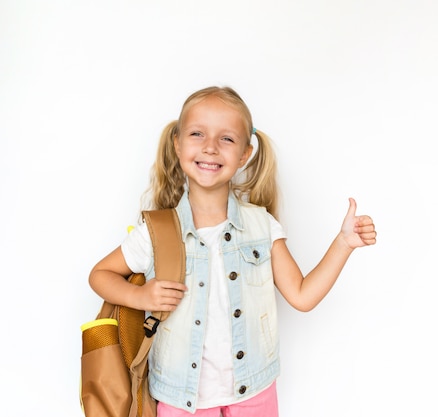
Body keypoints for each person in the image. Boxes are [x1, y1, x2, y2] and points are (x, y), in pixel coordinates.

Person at [89, 86, 377, 417]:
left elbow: (302, 296)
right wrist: (141, 298)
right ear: (177, 143)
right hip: (181, 401)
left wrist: (343, 244)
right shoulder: (157, 232)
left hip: (254, 392)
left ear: (245, 153)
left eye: (226, 138)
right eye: (197, 133)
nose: (210, 147)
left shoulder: (261, 226)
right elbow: (100, 275)